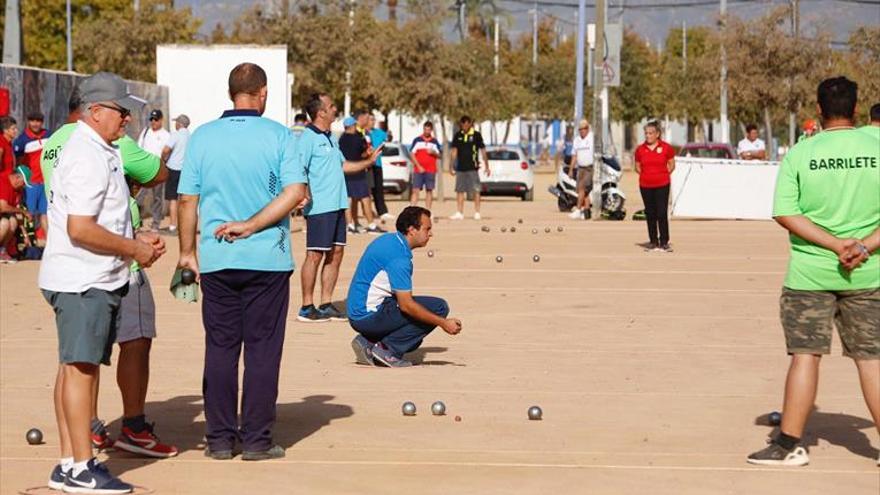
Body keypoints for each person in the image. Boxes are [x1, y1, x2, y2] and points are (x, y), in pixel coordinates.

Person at [38, 71, 165, 494]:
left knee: (73, 367)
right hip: (82, 278)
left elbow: (97, 219)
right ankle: (79, 467)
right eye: (120, 110)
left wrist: (133, 239)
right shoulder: (87, 154)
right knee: (81, 370)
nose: (126, 118)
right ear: (95, 111)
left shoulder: (99, 149)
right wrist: (133, 250)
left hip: (85, 275)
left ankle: (68, 463)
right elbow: (81, 228)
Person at [177, 63, 308, 461]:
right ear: (263, 93)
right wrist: (252, 225)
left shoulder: (202, 137)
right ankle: (256, 440)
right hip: (267, 258)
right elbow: (295, 192)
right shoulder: (280, 136)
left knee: (220, 348)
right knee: (262, 351)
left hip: (217, 259)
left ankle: (218, 440)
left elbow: (187, 200)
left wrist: (187, 253)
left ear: (230, 92)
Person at [747, 76, 880, 467]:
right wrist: (862, 246)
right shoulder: (877, 147)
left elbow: (785, 213)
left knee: (805, 356)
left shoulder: (802, 153)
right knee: (872, 360)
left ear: (818, 111)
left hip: (810, 275)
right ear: (856, 109)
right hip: (869, 274)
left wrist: (834, 245)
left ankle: (788, 446)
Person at [347, 206, 462, 367]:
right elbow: (406, 305)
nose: (430, 234)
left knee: (413, 341)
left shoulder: (390, 240)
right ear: (412, 230)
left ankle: (368, 340)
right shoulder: (399, 259)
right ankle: (387, 350)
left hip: (358, 312)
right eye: (427, 229)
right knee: (438, 308)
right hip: (367, 316)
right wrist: (443, 323)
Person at [634, 121, 675, 252]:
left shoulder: (667, 148)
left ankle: (664, 241)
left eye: (651, 133)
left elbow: (671, 165)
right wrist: (647, 175)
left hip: (662, 184)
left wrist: (661, 175)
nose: (648, 136)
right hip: (645, 185)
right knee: (650, 213)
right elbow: (637, 166)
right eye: (646, 133)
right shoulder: (640, 149)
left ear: (657, 134)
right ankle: (653, 241)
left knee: (661, 213)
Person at [340, 116, 383, 234]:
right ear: (352, 125)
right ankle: (371, 224)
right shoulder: (358, 138)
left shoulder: (341, 139)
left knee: (350, 199)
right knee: (365, 198)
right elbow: (363, 154)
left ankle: (351, 224)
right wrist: (369, 153)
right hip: (358, 171)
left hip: (346, 171)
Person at [12, 111, 50, 233]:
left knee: (46, 214)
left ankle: (49, 244)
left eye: (38, 121)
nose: (35, 124)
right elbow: (16, 162)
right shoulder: (21, 141)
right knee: (30, 214)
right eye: (32, 121)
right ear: (28, 122)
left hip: (46, 182)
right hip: (30, 184)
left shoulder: (49, 135)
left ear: (42, 122)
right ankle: (30, 244)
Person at [449, 115, 490, 220]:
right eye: (463, 123)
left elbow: (483, 151)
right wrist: (451, 166)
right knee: (459, 190)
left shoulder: (476, 135)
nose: (465, 126)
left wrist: (487, 166)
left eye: (468, 123)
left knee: (476, 190)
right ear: (461, 124)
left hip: (473, 167)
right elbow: (454, 151)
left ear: (470, 124)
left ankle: (477, 212)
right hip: (460, 168)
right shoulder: (458, 135)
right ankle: (459, 212)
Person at [136, 109, 170, 231]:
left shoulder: (166, 135)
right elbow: (139, 148)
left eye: (156, 119)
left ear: (161, 120)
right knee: (138, 198)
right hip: (144, 170)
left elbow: (167, 153)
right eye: (151, 119)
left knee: (157, 199)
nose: (153, 122)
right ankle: (136, 222)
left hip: (157, 170)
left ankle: (155, 224)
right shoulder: (145, 132)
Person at [159, 114, 191, 234]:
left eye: (176, 122)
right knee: (184, 199)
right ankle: (184, 226)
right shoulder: (190, 136)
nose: (175, 124)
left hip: (173, 168)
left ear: (179, 123)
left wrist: (163, 159)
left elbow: (166, 150)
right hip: (186, 170)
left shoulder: (176, 135)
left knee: (173, 199)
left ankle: (173, 226)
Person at [409, 121, 441, 210]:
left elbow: (440, 155)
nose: (426, 131)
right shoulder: (417, 140)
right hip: (418, 170)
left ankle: (428, 211)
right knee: (415, 190)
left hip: (431, 170)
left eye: (428, 130)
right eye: (425, 129)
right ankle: (411, 211)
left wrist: (434, 152)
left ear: (431, 130)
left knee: (429, 191)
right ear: (423, 129)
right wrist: (418, 166)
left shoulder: (434, 142)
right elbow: (411, 154)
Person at [0, 166, 27, 263]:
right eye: (23, 183)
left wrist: (25, 235)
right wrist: (23, 211)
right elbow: (3, 207)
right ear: (17, 178)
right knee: (5, 223)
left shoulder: (17, 190)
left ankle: (2, 251)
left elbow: (17, 212)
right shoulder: (3, 181)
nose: (23, 186)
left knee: (13, 221)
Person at [568, 120, 594, 220]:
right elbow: (574, 155)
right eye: (580, 129)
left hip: (590, 168)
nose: (582, 131)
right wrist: (571, 169)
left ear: (588, 128)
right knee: (582, 191)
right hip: (580, 168)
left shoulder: (592, 138)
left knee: (583, 188)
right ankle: (587, 213)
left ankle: (578, 209)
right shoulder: (577, 140)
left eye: (584, 128)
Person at [368, 115, 391, 221]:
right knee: (367, 191)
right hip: (367, 165)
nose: (372, 122)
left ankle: (382, 211)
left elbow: (387, 139)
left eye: (373, 120)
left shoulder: (379, 132)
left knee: (378, 189)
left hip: (377, 164)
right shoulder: (364, 133)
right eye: (370, 120)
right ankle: (368, 211)